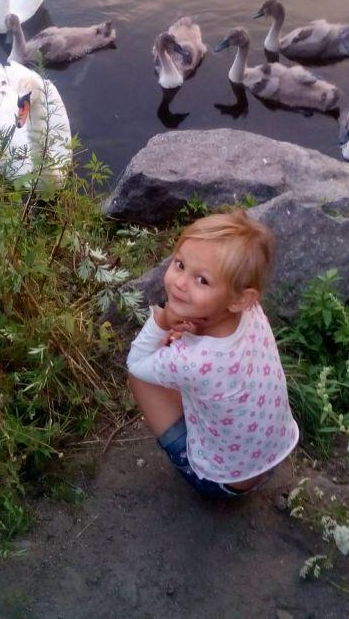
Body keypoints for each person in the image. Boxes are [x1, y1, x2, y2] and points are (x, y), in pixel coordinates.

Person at [127, 209, 298, 498]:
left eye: (202, 280)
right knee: (177, 347)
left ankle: (194, 467)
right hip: (273, 452)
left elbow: (136, 362)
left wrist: (163, 320)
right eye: (180, 264)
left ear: (239, 299)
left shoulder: (196, 361)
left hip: (222, 481)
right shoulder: (249, 311)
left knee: (141, 376)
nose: (180, 283)